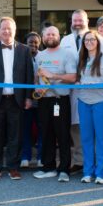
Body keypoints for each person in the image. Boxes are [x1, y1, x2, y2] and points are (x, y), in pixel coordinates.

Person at [0, 17, 34, 180]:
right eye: (3, 28)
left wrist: (28, 97)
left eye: (9, 28)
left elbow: (29, 76)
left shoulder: (24, 50)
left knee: (15, 135)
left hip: (16, 100)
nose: (6, 31)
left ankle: (13, 167)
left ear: (15, 30)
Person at [33, 26, 77, 182]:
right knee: (46, 133)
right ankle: (48, 167)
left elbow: (72, 77)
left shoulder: (68, 54)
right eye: (47, 34)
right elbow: (36, 79)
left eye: (53, 34)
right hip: (44, 100)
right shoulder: (39, 56)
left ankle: (64, 169)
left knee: (62, 134)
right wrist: (38, 89)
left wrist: (53, 75)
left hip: (60, 100)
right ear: (43, 37)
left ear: (59, 36)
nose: (50, 36)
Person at [76, 31, 103, 184]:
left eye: (92, 39)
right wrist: (79, 84)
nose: (89, 42)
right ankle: (88, 172)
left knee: (101, 139)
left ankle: (100, 173)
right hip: (83, 102)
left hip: (101, 102)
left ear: (98, 42)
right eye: (86, 40)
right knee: (86, 138)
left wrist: (98, 85)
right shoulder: (81, 59)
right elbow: (78, 79)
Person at [21, 32, 43, 168]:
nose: (33, 45)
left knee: (42, 129)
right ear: (25, 43)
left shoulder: (44, 57)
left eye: (36, 42)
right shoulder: (21, 56)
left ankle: (41, 157)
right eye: (30, 42)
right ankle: (25, 157)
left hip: (42, 100)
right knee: (25, 130)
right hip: (26, 100)